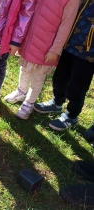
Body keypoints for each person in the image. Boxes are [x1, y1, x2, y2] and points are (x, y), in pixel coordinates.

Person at [4, 0, 81, 120]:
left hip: (46, 46)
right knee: (25, 68)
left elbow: (66, 25)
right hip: (29, 39)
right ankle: (21, 91)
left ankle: (29, 102)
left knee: (38, 76)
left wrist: (55, 50)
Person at [33, 0, 94, 131]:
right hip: (71, 42)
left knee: (77, 86)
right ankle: (57, 102)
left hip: (89, 53)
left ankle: (71, 115)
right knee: (60, 76)